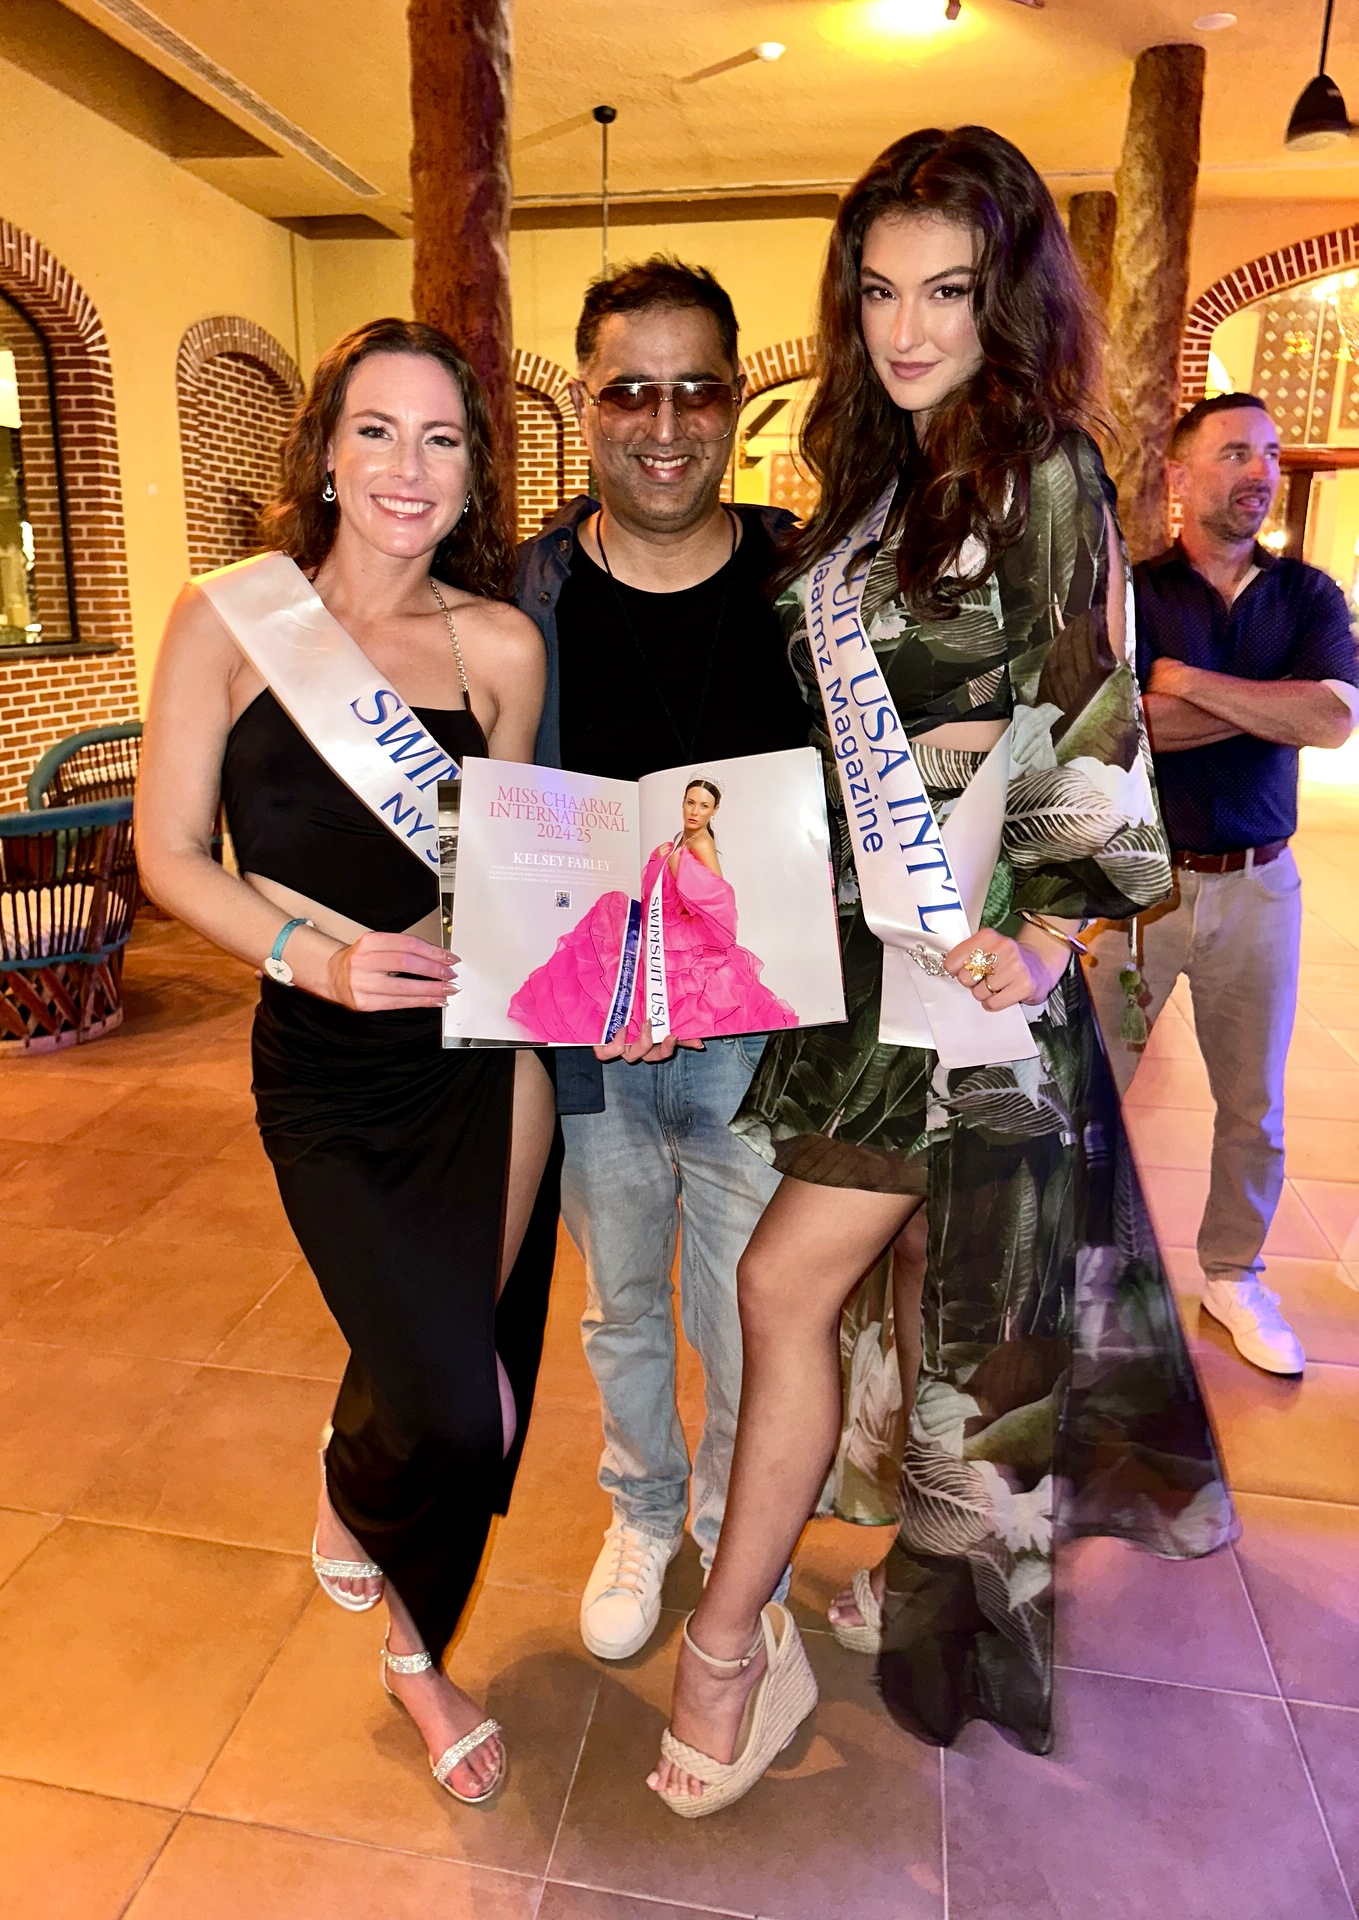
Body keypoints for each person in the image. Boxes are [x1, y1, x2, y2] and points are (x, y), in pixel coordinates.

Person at [649, 126, 1235, 1817]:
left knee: (784, 1286)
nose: (908, 328)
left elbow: (1087, 692)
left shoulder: (1043, 469)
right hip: (868, 956)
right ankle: (930, 1561)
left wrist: (1047, 930)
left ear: (1007, 299)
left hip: (964, 980)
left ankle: (727, 1649)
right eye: (881, 291)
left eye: (949, 292)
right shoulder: (879, 478)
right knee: (925, 1284)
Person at [136, 319, 559, 1806]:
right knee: (443, 1402)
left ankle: (412, 1649)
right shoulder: (230, 619)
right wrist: (313, 959)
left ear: (474, 473)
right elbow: (169, 855)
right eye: (376, 429)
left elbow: (519, 873)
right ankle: (367, 1508)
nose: (407, 467)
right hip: (322, 1064)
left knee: (466, 1392)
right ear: (324, 449)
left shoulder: (501, 648)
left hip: (480, 1059)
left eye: (441, 439)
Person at [513, 258, 812, 1661]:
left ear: (736, 401)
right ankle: (641, 1508)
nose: (666, 422)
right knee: (622, 1299)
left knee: (754, 1313)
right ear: (587, 403)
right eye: (631, 389)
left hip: (761, 1028)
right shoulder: (524, 591)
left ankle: (733, 1525)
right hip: (587, 1033)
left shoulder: (805, 578)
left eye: (698, 388)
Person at [1090, 394, 1358, 1377]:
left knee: (1255, 1107)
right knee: (1092, 1093)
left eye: (1272, 454)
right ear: (1181, 475)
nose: (1260, 472)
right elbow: (1117, 731)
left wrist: (1189, 685)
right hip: (1139, 889)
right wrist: (1269, 706)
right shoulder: (1133, 591)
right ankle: (1087, 1272)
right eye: (1236, 452)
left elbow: (1332, 721)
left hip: (1259, 888)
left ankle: (1234, 1274)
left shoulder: (1309, 596)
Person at [507, 777, 798, 1042]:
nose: (695, 811)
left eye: (704, 806)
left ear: (715, 810)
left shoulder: (703, 843)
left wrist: (681, 868)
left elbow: (719, 895)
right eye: (690, 802)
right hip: (663, 917)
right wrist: (663, 857)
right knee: (610, 915)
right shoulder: (683, 837)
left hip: (683, 929)